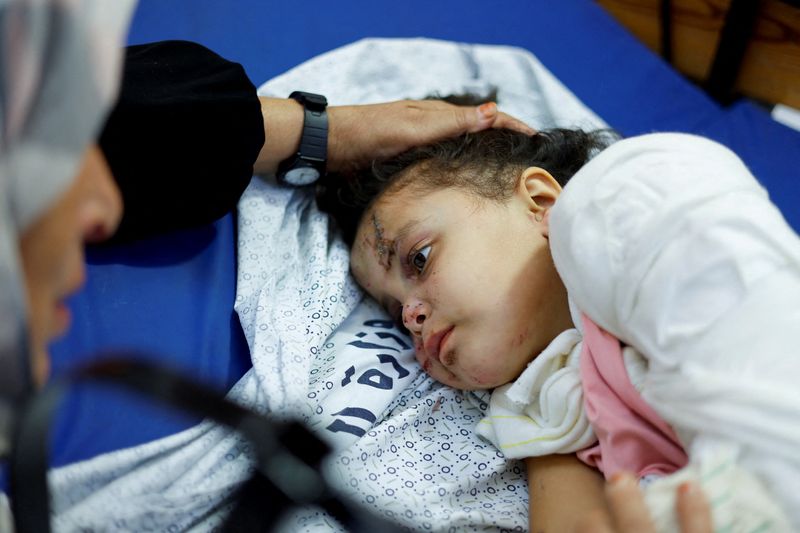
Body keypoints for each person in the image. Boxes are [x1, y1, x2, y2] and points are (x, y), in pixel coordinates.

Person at [343, 127, 800, 531]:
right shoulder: (543, 403)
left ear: (540, 202)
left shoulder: (625, 199)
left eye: (419, 259)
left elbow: (773, 363)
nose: (410, 318)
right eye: (394, 309)